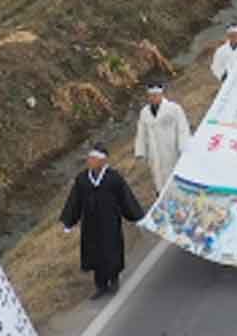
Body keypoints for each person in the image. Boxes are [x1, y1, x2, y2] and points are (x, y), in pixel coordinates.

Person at [59, 145, 145, 299]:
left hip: (110, 222)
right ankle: (100, 285)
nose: (89, 161)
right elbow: (75, 202)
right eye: (89, 158)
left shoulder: (113, 178)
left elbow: (125, 198)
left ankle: (114, 279)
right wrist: (69, 222)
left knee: (111, 250)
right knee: (94, 253)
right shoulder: (83, 180)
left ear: (102, 161)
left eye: (93, 159)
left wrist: (136, 216)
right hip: (90, 225)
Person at [131, 83, 190, 195]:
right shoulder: (144, 113)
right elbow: (141, 133)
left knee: (175, 175)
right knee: (158, 177)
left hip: (171, 149)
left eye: (155, 95)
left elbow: (183, 129)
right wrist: (140, 151)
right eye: (150, 96)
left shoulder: (174, 108)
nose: (152, 98)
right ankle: (161, 194)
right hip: (154, 152)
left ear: (161, 94)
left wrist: (183, 147)